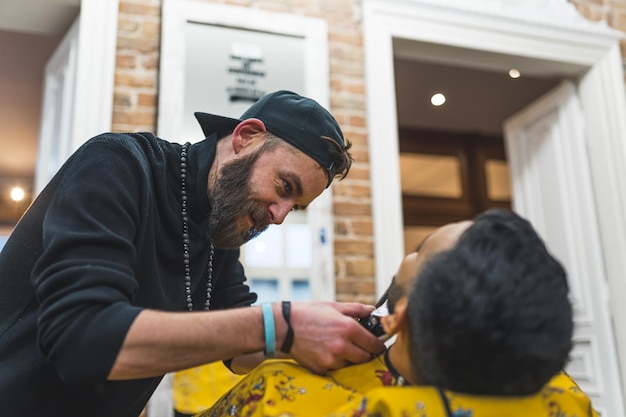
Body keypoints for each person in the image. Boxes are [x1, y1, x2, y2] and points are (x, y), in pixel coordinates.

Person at [0, 90, 385, 416]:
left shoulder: (219, 225)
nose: (281, 216)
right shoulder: (117, 165)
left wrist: (336, 340)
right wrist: (282, 325)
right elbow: (81, 341)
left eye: (295, 206)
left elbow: (241, 346)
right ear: (246, 136)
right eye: (285, 186)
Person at [195, 209, 597, 417]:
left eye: (419, 251)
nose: (407, 254)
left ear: (400, 317)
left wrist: (274, 330)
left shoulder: (278, 394)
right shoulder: (564, 399)